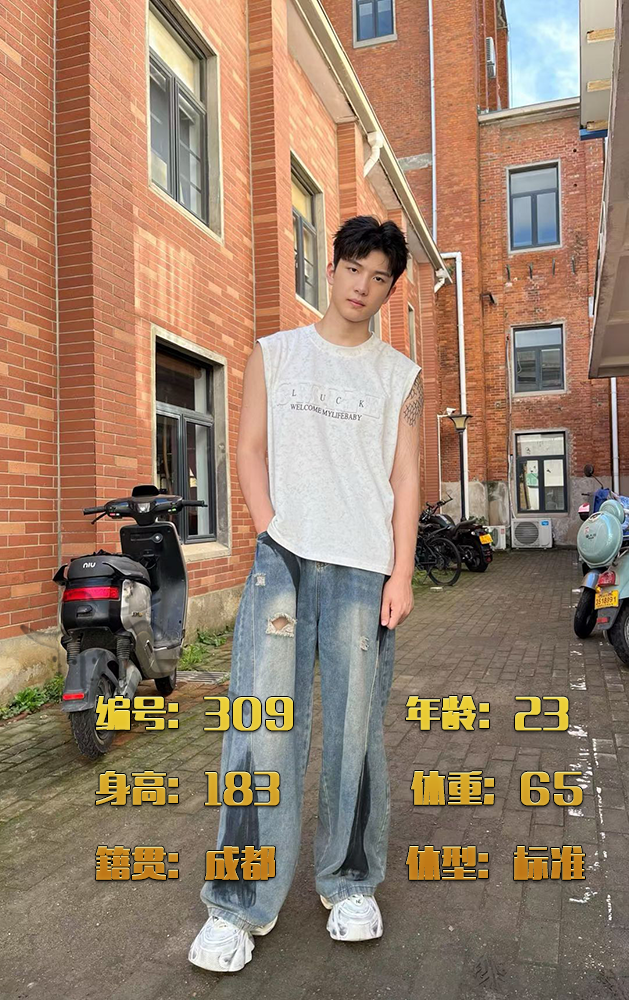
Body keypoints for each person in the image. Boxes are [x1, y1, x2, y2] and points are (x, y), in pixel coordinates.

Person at [188, 215, 423, 973]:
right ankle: (236, 905)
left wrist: (402, 573)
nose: (362, 286)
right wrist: (272, 531)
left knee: (355, 733)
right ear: (332, 267)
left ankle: (349, 884)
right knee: (259, 731)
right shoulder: (275, 353)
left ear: (390, 288)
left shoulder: (399, 377)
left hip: (363, 570)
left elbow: (406, 479)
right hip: (283, 563)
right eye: (354, 268)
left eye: (379, 277)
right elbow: (249, 449)